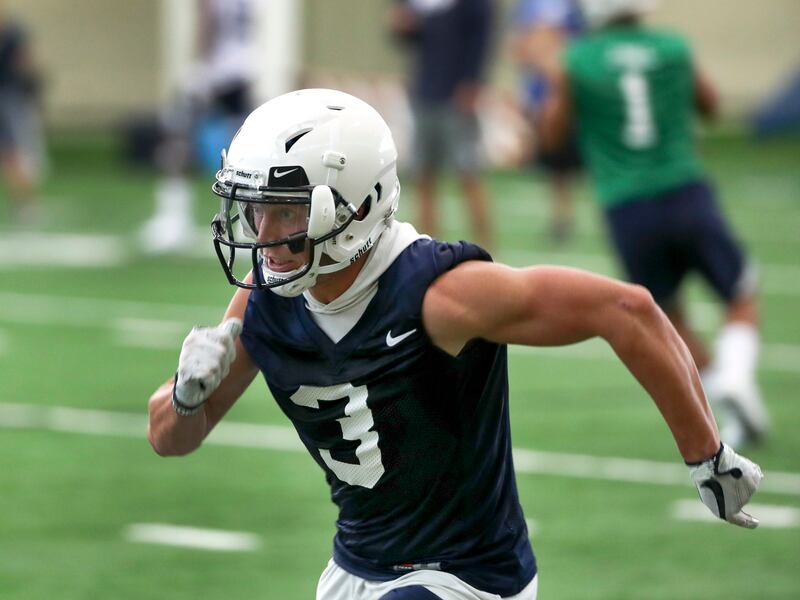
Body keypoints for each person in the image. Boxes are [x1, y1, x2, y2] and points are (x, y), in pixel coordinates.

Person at [147, 89, 763, 600]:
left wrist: (706, 455)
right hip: (354, 571)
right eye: (254, 210)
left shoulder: (438, 295)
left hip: (466, 577)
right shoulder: (264, 296)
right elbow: (172, 438)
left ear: (353, 206)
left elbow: (628, 310)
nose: (262, 234)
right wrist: (188, 393)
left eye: (284, 211)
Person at [541, 0, 770, 447]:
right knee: (740, 293)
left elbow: (551, 135)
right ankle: (737, 378)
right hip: (685, 188)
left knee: (668, 314)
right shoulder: (672, 47)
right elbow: (711, 105)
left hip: (626, 205)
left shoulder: (577, 59)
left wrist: (554, 79)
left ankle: (728, 392)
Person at [138, 0, 256, 254]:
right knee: (247, 150)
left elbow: (208, 20)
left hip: (217, 72)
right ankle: (252, 223)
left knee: (177, 140)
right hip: (243, 71)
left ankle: (174, 219)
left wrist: (202, 68)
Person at [388, 0, 494, 250]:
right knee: (424, 175)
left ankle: (488, 249)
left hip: (457, 95)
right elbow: (406, 32)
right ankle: (426, 249)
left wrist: (472, 81)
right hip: (424, 91)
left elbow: (482, 36)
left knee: (468, 174)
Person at [510, 0, 584, 244]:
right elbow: (519, 44)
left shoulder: (571, 6)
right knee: (554, 163)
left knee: (572, 158)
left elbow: (579, 40)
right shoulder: (527, 5)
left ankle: (569, 216)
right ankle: (560, 218)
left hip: (564, 89)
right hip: (540, 90)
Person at [0, 9, 45, 227]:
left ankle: (25, 206)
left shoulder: (13, 33)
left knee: (12, 153)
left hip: (8, 99)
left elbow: (25, 63)